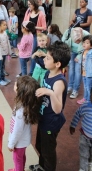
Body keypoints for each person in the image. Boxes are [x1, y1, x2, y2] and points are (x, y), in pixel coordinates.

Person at [29, 41, 71, 171]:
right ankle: (42, 166)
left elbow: (58, 109)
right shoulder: (48, 73)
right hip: (44, 118)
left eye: (47, 58)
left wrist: (50, 93)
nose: (44, 60)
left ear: (57, 64)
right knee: (40, 146)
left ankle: (48, 168)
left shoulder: (59, 82)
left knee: (48, 151)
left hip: (51, 122)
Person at [8, 76, 42, 171]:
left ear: (22, 92)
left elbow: (17, 130)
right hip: (24, 140)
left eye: (16, 85)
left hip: (18, 142)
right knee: (21, 157)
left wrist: (11, 144)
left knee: (17, 159)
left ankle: (18, 169)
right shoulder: (27, 104)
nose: (14, 85)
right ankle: (19, 168)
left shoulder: (20, 112)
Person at [62, 27, 90, 99]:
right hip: (71, 51)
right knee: (71, 69)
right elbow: (63, 41)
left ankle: (75, 90)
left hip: (80, 52)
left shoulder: (87, 35)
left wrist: (80, 55)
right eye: (75, 41)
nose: (77, 42)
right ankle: (70, 86)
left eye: (78, 41)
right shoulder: (68, 32)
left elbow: (89, 47)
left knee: (78, 71)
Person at [69, 89, 92, 171]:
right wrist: (73, 125)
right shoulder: (85, 106)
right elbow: (77, 114)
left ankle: (90, 163)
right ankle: (83, 168)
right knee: (83, 154)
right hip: (84, 137)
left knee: (90, 155)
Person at [24, 0, 47, 76]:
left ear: (34, 4)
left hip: (36, 36)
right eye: (28, 4)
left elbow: (44, 27)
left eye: (30, 4)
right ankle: (28, 71)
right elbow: (24, 22)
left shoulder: (41, 14)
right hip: (28, 35)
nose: (29, 6)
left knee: (33, 53)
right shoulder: (28, 13)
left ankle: (31, 72)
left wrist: (34, 27)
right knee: (28, 53)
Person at [0, 19, 12, 86]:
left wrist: (9, 52)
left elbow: (8, 42)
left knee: (2, 66)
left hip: (5, 53)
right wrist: (0, 55)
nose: (6, 26)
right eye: (4, 25)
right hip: (0, 54)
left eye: (6, 25)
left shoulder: (5, 33)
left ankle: (3, 78)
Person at [77, 35, 92, 105]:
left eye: (87, 43)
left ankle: (88, 100)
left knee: (88, 88)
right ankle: (85, 98)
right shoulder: (84, 51)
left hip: (89, 74)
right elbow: (83, 61)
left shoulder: (90, 53)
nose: (84, 44)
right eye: (84, 42)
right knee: (85, 87)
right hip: (83, 73)